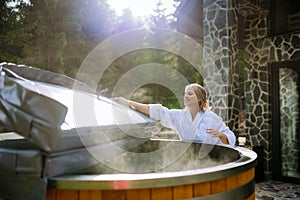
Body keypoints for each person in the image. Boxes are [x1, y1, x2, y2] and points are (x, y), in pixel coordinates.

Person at [113, 83, 236, 146]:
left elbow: (230, 137)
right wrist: (128, 103)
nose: (186, 96)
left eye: (190, 94)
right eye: (185, 94)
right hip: (189, 159)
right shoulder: (179, 116)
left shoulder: (212, 118)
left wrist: (220, 135)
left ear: (199, 98)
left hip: (212, 160)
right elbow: (158, 111)